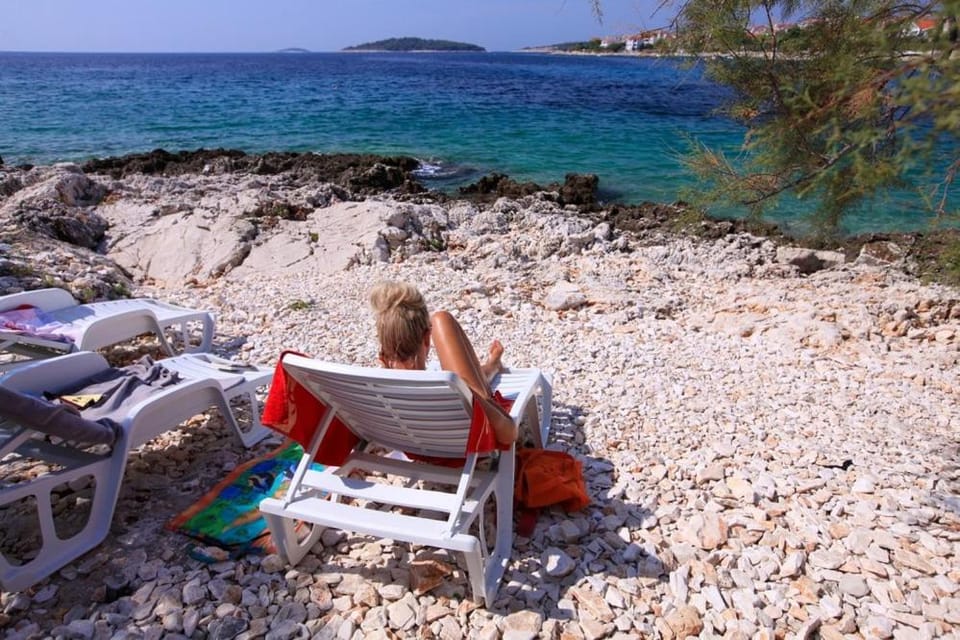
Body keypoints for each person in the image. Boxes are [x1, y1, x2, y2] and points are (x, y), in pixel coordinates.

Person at [369, 281, 517, 445]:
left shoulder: (373, 394)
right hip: (471, 455)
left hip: (416, 451)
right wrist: (467, 390)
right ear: (427, 338)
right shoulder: (449, 388)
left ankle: (491, 367)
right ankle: (491, 367)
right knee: (442, 319)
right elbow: (508, 434)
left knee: (469, 386)